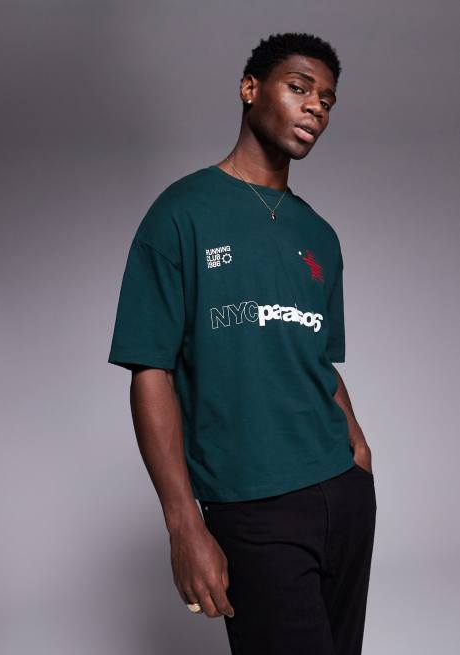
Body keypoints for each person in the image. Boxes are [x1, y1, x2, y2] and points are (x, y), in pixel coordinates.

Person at [107, 31, 376, 655]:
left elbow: (316, 358)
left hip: (342, 492)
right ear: (250, 88)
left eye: (328, 100)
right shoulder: (181, 213)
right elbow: (150, 370)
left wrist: (358, 448)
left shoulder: (320, 234)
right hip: (252, 507)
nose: (316, 108)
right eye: (300, 88)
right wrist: (183, 525)